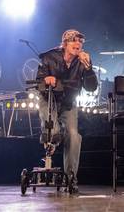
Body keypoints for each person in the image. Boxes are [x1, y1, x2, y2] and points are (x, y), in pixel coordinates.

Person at [36, 29, 98, 186]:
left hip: (68, 103)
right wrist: (47, 78)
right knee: (53, 131)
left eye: (80, 41)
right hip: (49, 99)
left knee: (73, 135)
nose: (78, 43)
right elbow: (39, 81)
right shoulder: (50, 57)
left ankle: (70, 177)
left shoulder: (83, 61)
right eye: (74, 40)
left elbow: (91, 88)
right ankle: (51, 139)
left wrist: (89, 68)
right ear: (65, 44)